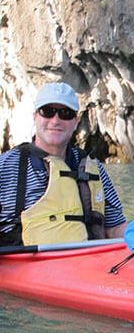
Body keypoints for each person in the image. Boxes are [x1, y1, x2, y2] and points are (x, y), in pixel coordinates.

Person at [0, 81, 127, 246]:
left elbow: (115, 228)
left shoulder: (93, 168)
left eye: (65, 113)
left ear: (75, 122)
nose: (55, 120)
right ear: (35, 117)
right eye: (47, 111)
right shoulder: (5, 167)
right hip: (25, 267)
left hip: (86, 267)